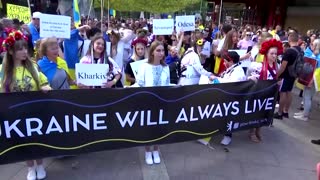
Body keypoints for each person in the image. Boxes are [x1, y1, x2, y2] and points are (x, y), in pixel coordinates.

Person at [0, 30, 51, 180]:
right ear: (10, 51)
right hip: (15, 114)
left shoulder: (33, 67)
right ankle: (30, 168)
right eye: (19, 49)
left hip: (35, 112)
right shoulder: (3, 72)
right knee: (22, 142)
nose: (24, 52)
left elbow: (43, 81)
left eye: (25, 48)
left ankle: (40, 165)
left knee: (37, 140)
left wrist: (45, 87)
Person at [136, 41, 170, 165]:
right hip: (147, 102)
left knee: (159, 128)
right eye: (158, 50)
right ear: (152, 52)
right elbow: (139, 83)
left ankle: (156, 150)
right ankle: (147, 151)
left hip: (161, 103)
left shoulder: (166, 67)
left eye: (162, 51)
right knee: (148, 128)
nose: (161, 53)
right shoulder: (144, 66)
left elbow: (167, 85)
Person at [247, 39, 283, 142]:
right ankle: (252, 131)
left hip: (270, 94)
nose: (274, 56)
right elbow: (251, 76)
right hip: (259, 93)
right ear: (266, 54)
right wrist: (252, 78)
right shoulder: (259, 66)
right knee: (256, 112)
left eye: (275, 54)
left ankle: (259, 130)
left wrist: (278, 83)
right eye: (272, 53)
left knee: (264, 112)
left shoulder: (277, 66)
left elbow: (275, 79)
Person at [211, 51, 247, 146]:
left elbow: (231, 84)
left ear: (230, 61)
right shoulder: (232, 69)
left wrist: (216, 80)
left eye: (225, 61)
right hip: (225, 97)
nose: (223, 63)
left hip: (233, 99)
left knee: (229, 117)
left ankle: (228, 136)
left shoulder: (238, 71)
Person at [274, 32, 302, 120]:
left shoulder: (289, 51)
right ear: (297, 40)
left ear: (289, 39)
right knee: (289, 92)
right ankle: (286, 111)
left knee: (282, 93)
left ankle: (279, 113)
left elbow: (283, 66)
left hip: (285, 75)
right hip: (293, 74)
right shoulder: (300, 50)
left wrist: (277, 75)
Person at [293, 39, 320, 121]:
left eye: (312, 44)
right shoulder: (315, 54)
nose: (311, 45)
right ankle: (304, 113)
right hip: (308, 78)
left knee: (308, 97)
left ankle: (305, 116)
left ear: (316, 46)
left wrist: (311, 81)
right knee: (305, 95)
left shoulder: (318, 56)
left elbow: (316, 70)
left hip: (313, 80)